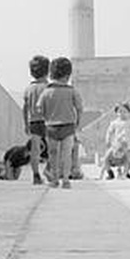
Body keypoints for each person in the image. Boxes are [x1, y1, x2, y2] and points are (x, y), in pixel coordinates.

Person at [37, 56, 83, 189]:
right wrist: (77, 122)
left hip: (51, 126)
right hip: (68, 126)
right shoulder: (72, 91)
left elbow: (39, 109)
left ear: (51, 74)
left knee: (53, 154)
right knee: (66, 154)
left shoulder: (46, 92)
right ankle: (66, 180)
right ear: (68, 75)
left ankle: (54, 179)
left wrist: (47, 117)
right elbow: (79, 108)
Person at [22, 54, 50, 185]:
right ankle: (49, 170)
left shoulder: (29, 89)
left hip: (34, 121)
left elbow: (25, 108)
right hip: (48, 121)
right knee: (53, 147)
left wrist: (26, 124)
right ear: (48, 71)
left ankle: (36, 175)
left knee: (35, 150)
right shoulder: (49, 88)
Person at [100, 103, 130, 179]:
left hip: (128, 144)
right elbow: (109, 132)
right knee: (112, 157)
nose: (122, 113)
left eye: (124, 111)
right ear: (116, 113)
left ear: (128, 112)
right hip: (117, 145)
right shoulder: (114, 123)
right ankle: (113, 172)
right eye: (120, 111)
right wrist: (108, 139)